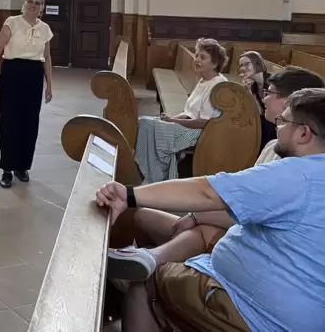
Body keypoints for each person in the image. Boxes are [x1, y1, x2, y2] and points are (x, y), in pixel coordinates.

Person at [95, 88, 325, 332]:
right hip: (294, 309)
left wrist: (129, 195)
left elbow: (207, 191)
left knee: (144, 278)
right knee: (192, 238)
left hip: (255, 314)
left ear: (303, 133)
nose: (278, 127)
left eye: (283, 121)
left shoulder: (299, 176)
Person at [134, 38, 228, 183]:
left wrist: (174, 121)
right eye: (196, 55)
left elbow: (204, 123)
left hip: (199, 133)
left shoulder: (217, 86)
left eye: (202, 57)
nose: (196, 60)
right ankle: (152, 172)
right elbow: (190, 112)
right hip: (189, 125)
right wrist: (172, 118)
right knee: (146, 121)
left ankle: (156, 175)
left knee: (146, 124)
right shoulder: (204, 80)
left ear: (215, 63)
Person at [0, 0, 53, 188]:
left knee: (30, 121)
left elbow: (47, 58)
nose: (33, 5)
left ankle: (22, 166)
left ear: (42, 8)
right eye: (30, 1)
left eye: (38, 3)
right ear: (24, 4)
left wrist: (49, 84)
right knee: (10, 118)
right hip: (12, 71)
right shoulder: (12, 22)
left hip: (34, 73)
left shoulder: (45, 29)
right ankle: (7, 168)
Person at [238, 51, 276, 152]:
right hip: (265, 118)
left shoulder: (271, 81)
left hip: (276, 119)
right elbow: (258, 111)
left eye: (247, 64)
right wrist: (249, 89)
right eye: (241, 65)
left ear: (257, 63)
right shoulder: (254, 84)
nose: (243, 68)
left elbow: (273, 110)